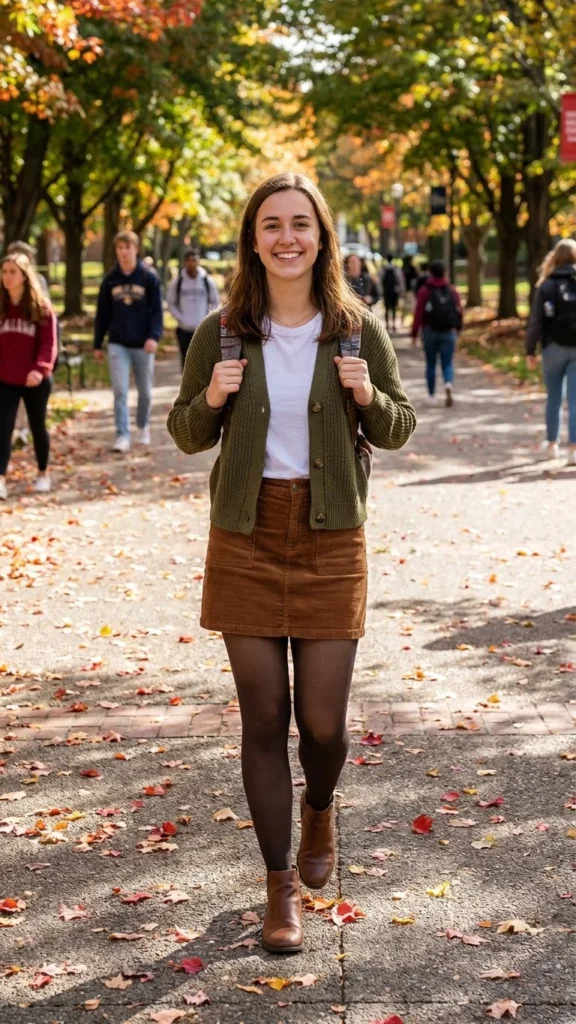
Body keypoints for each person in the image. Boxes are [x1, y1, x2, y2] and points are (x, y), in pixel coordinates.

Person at [167, 172, 416, 954]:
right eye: (270, 224)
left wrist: (367, 393)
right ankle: (280, 890)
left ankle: (321, 808)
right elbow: (184, 433)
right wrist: (210, 395)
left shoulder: (354, 328)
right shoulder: (224, 331)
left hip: (329, 534)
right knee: (264, 719)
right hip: (244, 538)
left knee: (322, 723)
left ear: (321, 237)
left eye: (300, 224)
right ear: (252, 240)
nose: (286, 237)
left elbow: (400, 426)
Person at [93, 230, 163, 452]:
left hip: (143, 344)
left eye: (127, 248)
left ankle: (142, 426)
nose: (123, 252)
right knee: (120, 391)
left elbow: (157, 313)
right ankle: (122, 435)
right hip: (118, 343)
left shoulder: (148, 278)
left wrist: (154, 337)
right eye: (119, 248)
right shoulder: (110, 280)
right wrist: (97, 343)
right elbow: (102, 313)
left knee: (145, 392)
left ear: (136, 249)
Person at [0, 253, 58, 500]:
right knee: (3, 428)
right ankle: (0, 478)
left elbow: (49, 344)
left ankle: (43, 473)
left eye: (12, 272)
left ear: (24, 276)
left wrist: (40, 368)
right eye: (4, 272)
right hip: (5, 378)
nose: (7, 277)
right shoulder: (1, 306)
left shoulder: (40, 307)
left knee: (37, 426)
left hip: (35, 379)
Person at [525, 238, 576, 465]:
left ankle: (553, 444)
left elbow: (536, 321)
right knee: (575, 401)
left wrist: (530, 350)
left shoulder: (546, 285)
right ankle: (573, 449)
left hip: (552, 347)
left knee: (554, 397)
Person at [6, 241, 51, 446]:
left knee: (36, 419)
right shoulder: (3, 296)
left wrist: (43, 365)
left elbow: (48, 329)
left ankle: (24, 430)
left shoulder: (39, 288)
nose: (8, 275)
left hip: (33, 363)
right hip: (9, 367)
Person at [411, 259, 463, 406]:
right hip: (448, 331)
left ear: (430, 273)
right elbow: (459, 310)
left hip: (430, 332)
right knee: (447, 363)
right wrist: (458, 328)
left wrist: (414, 333)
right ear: (444, 273)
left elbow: (419, 313)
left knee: (431, 363)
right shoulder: (452, 290)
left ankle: (432, 395)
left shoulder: (425, 291)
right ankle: (448, 383)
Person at [167, 250, 220, 369]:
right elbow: (171, 303)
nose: (191, 263)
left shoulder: (207, 281)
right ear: (184, 262)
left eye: (194, 260)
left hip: (202, 328)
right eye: (188, 261)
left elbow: (215, 301)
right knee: (185, 362)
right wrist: (181, 319)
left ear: (198, 262)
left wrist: (207, 318)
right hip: (184, 329)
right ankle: (186, 387)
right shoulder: (178, 282)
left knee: (203, 361)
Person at [379, 254, 404, 334]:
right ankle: (393, 324)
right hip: (394, 292)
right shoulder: (396, 269)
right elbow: (400, 281)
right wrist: (401, 291)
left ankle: (387, 325)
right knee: (393, 308)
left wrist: (381, 291)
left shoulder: (383, 269)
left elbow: (379, 281)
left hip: (386, 292)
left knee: (386, 308)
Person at [401, 255, 418, 324]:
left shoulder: (402, 268)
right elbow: (415, 279)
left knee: (404, 307)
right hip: (411, 290)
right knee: (412, 307)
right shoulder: (412, 268)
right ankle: (412, 322)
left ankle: (402, 321)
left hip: (404, 290)